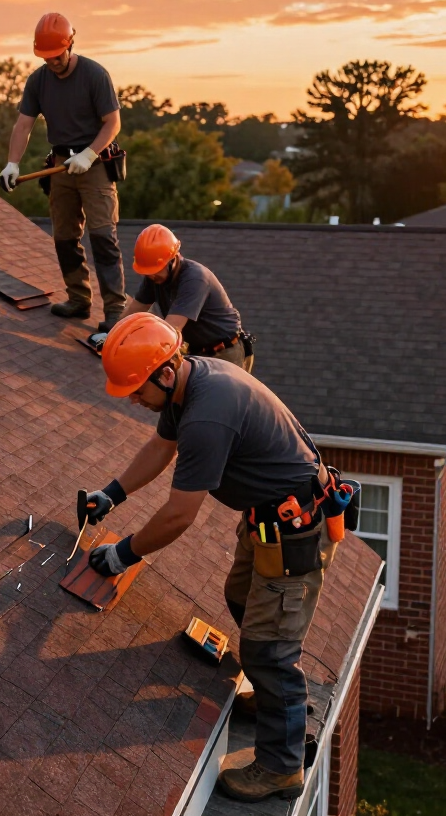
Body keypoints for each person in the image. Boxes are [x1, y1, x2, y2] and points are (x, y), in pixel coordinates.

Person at [84, 313, 339, 803]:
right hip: (269, 522)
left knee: (270, 648)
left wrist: (122, 554)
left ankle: (282, 767)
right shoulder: (187, 380)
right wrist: (112, 493)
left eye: (137, 389)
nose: (133, 400)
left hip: (296, 532)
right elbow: (162, 446)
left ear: (163, 371)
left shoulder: (207, 412)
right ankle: (272, 697)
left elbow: (180, 516)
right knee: (239, 597)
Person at [0, 13, 125, 331]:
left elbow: (113, 122)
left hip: (93, 163)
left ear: (70, 45)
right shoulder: (38, 81)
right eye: (45, 57)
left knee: (102, 237)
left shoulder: (94, 75)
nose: (52, 62)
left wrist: (90, 153)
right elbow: (24, 125)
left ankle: (114, 311)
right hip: (60, 165)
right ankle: (79, 299)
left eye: (57, 55)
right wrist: (13, 163)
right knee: (65, 237)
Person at [119, 223, 254, 371]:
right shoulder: (154, 277)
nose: (151, 275)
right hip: (197, 353)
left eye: (155, 270)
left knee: (214, 393)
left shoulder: (194, 279)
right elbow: (132, 313)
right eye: (147, 271)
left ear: (173, 259)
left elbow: (170, 330)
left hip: (225, 353)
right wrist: (112, 338)